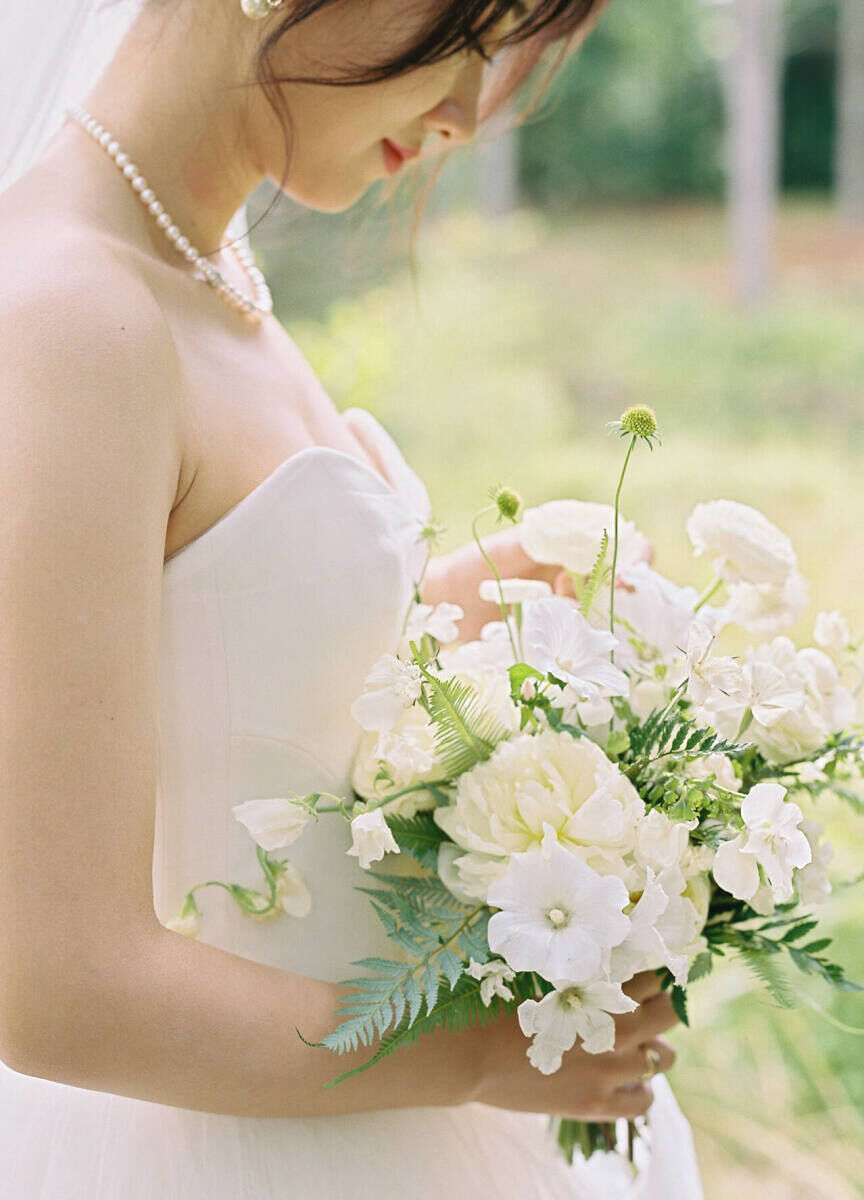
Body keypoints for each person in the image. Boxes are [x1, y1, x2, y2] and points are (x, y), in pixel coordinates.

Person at [0, 0, 704, 1195]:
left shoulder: (202, 260)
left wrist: (438, 607)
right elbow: (51, 982)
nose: (468, 112)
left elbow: (200, 676)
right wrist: (478, 1048)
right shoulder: (73, 314)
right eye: (467, 38)